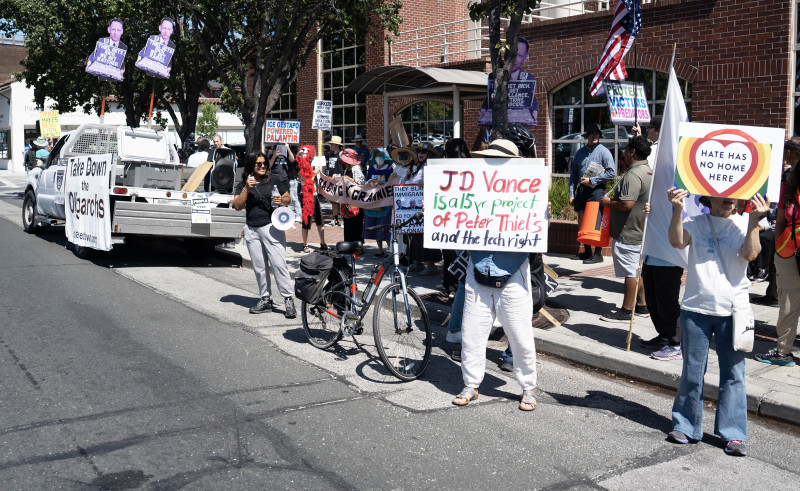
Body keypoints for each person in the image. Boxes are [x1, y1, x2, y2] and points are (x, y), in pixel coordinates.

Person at [666, 187, 769, 457]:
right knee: (692, 371)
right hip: (695, 309)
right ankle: (686, 425)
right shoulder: (696, 222)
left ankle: (733, 433)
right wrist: (677, 209)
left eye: (735, 193)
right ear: (707, 196)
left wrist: (754, 222)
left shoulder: (745, 222)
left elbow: (751, 254)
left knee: (734, 375)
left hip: (734, 311)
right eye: (722, 192)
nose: (729, 197)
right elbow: (676, 241)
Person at [451, 139, 538, 412]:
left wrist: (541, 216)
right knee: (473, 335)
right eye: (488, 158)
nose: (491, 162)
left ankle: (529, 388)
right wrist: (438, 215)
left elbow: (535, 225)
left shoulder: (526, 190)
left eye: (497, 159)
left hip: (512, 275)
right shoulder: (472, 188)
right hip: (477, 272)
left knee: (520, 337)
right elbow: (455, 217)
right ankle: (471, 385)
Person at [232, 152, 296, 319]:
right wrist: (247, 188)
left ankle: (288, 299)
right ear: (251, 165)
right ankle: (265, 299)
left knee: (278, 264)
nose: (262, 166)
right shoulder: (244, 184)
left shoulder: (274, 180)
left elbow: (288, 198)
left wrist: (281, 200)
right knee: (259, 267)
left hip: (271, 227)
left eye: (263, 163)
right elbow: (237, 206)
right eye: (258, 164)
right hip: (252, 229)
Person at [754, 152, 800, 367]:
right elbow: (780, 221)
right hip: (789, 254)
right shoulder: (788, 189)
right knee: (788, 305)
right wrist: (781, 251)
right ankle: (784, 352)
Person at [599, 135, 652, 322]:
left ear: (633, 152)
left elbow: (627, 204)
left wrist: (608, 202)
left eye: (626, 149)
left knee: (630, 272)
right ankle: (642, 305)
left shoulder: (633, 174)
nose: (624, 153)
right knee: (638, 270)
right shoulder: (648, 170)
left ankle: (626, 310)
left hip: (629, 233)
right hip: (640, 232)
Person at [569, 123, 616, 264]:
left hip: (596, 190)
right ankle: (587, 252)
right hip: (582, 191)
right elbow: (573, 175)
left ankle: (598, 254)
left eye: (597, 134)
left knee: (596, 222)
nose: (595, 136)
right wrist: (571, 193)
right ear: (587, 136)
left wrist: (593, 180)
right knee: (582, 221)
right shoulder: (579, 153)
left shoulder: (604, 151)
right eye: (591, 134)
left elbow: (612, 172)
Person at [478, 37, 538, 127]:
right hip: (498, 119)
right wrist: (484, 108)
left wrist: (534, 110)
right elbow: (491, 95)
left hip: (518, 120)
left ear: (526, 58)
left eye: (520, 55)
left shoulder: (529, 78)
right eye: (513, 55)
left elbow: (531, 97)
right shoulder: (493, 76)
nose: (515, 59)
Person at [406, 141, 441, 275]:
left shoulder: (432, 167)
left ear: (430, 154)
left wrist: (426, 182)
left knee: (425, 235)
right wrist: (408, 175)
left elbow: (438, 182)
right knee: (415, 234)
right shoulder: (416, 167)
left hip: (426, 206)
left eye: (424, 152)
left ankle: (431, 264)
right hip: (415, 206)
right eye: (419, 151)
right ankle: (417, 262)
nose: (420, 154)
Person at [362, 148, 394, 257]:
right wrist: (370, 182)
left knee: (384, 225)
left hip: (385, 201)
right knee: (375, 224)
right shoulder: (371, 168)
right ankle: (380, 250)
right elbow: (367, 181)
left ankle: (390, 250)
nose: (379, 158)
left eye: (381, 155)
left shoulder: (389, 169)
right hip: (373, 200)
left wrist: (382, 183)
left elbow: (391, 183)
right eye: (377, 155)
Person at [296, 145, 327, 253]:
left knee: (320, 220)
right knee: (306, 221)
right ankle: (305, 245)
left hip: (314, 195)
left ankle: (323, 243)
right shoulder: (301, 167)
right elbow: (306, 181)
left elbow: (316, 182)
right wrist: (315, 173)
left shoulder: (312, 166)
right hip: (306, 197)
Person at [338, 148, 365, 247]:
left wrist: (349, 179)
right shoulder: (346, 169)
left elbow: (361, 184)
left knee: (356, 224)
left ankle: (358, 246)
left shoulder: (355, 168)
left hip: (355, 201)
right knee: (348, 223)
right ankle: (349, 244)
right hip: (347, 200)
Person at [324, 135, 345, 227]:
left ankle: (344, 219)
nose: (331, 146)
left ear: (336, 145)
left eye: (332, 144)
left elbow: (344, 169)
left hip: (339, 181)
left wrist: (338, 175)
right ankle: (335, 219)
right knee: (333, 201)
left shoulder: (341, 155)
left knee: (341, 201)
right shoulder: (330, 155)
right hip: (331, 181)